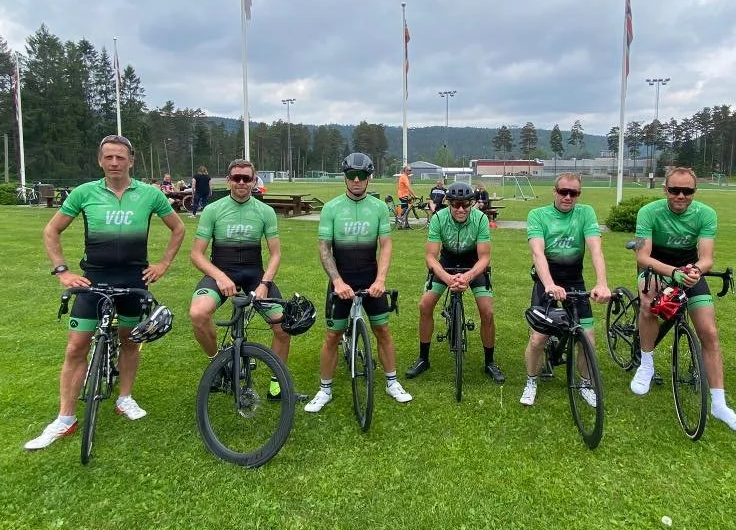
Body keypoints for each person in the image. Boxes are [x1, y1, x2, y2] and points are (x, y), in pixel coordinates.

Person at [26, 134, 185, 450]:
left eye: (120, 157)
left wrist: (163, 264)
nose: (115, 162)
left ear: (131, 161)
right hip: (93, 280)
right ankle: (66, 419)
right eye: (109, 157)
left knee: (130, 341)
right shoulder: (85, 193)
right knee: (75, 347)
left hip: (133, 279)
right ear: (100, 160)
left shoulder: (150, 195)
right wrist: (62, 271)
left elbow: (178, 228)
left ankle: (125, 398)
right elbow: (52, 230)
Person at [630, 167, 736, 433]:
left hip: (689, 269)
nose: (681, 196)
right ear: (665, 190)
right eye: (674, 190)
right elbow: (642, 257)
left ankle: (719, 404)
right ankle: (646, 364)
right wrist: (673, 272)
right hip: (656, 266)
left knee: (709, 332)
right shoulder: (648, 212)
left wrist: (696, 270)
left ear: (695, 192)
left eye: (687, 191)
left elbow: (707, 257)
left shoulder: (706, 214)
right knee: (649, 303)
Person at [305, 153, 413, 412]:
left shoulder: (377, 207)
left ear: (369, 177)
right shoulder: (331, 208)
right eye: (351, 175)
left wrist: (381, 279)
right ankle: (325, 389)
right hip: (341, 281)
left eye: (361, 176)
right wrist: (337, 282)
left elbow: (385, 245)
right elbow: (324, 249)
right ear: (344, 177)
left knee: (383, 331)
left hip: (371, 278)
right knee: (332, 336)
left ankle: (392, 382)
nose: (356, 180)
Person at [188, 158, 296, 401]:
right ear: (228, 181)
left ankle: (276, 383)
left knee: (283, 326)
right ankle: (218, 363)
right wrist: (220, 277)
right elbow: (196, 254)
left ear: (253, 181)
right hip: (220, 274)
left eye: (246, 178)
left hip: (255, 275)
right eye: (236, 178)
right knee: (198, 313)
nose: (241, 182)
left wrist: (265, 284)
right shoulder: (213, 210)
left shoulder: (265, 212)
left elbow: (276, 253)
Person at [520, 174, 611, 406]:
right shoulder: (538, 215)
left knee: (587, 339)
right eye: (563, 192)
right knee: (538, 339)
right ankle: (531, 381)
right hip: (546, 280)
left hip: (574, 280)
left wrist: (601, 283)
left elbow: (595, 250)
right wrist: (549, 285)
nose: (568, 197)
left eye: (574, 193)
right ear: (555, 191)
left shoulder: (585, 213)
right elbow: (537, 253)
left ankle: (584, 383)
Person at [405, 182, 504, 383]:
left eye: (465, 205)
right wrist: (448, 278)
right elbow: (431, 257)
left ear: (472, 203)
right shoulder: (439, 218)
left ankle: (489, 362)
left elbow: (485, 257)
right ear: (448, 203)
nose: (460, 209)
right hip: (447, 262)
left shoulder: (481, 219)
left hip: (473, 263)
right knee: (425, 306)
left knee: (487, 312)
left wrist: (467, 277)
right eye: (456, 204)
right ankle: (423, 358)